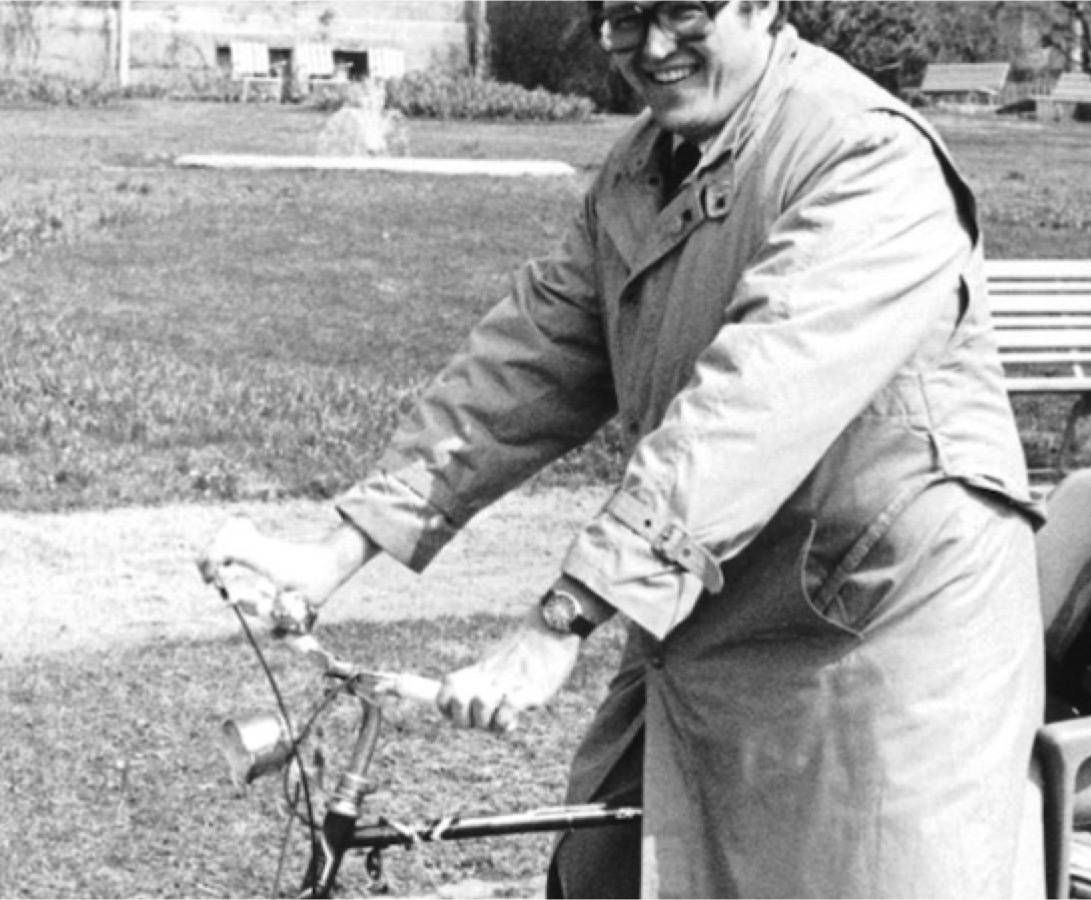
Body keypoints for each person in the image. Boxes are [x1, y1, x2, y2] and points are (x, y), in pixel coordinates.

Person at [198, 1, 1047, 896]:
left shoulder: (866, 155)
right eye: (622, 16)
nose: (652, 45)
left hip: (874, 643)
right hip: (716, 613)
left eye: (682, 9)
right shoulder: (646, 165)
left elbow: (750, 407)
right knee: (604, 873)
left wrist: (563, 616)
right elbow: (531, 358)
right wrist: (339, 549)